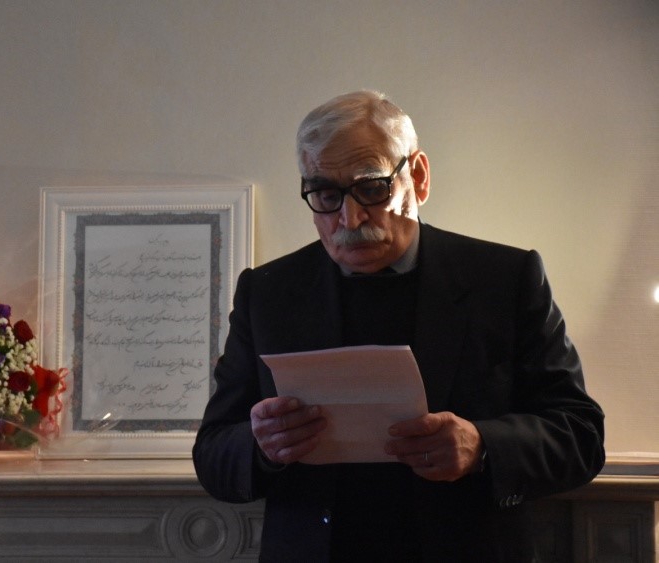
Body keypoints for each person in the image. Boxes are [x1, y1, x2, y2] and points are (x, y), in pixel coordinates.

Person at [192, 90, 605, 562]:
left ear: (419, 177)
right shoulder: (267, 293)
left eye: (372, 188)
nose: (350, 218)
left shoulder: (504, 280)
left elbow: (581, 437)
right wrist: (262, 447)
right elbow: (213, 454)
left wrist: (482, 446)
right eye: (326, 194)